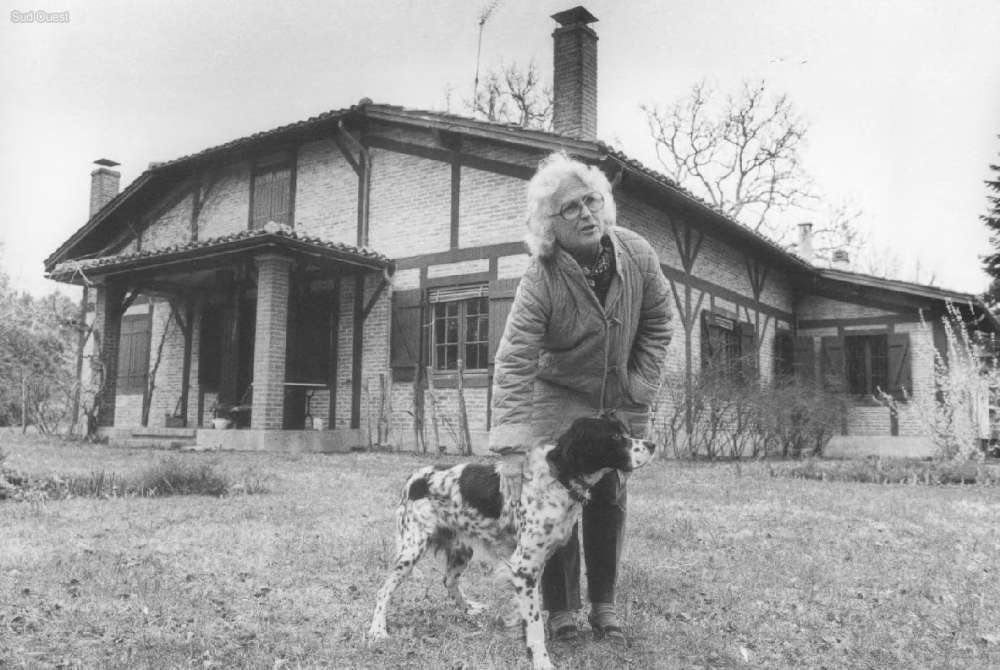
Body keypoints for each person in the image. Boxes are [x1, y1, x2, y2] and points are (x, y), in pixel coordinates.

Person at [489, 151, 673, 643]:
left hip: (619, 391)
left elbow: (659, 323)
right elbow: (514, 359)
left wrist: (639, 386)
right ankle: (563, 610)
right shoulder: (541, 276)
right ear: (550, 224)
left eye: (591, 200)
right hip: (558, 391)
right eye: (570, 208)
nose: (586, 213)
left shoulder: (637, 253)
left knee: (609, 493)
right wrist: (510, 445)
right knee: (558, 493)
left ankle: (604, 606)